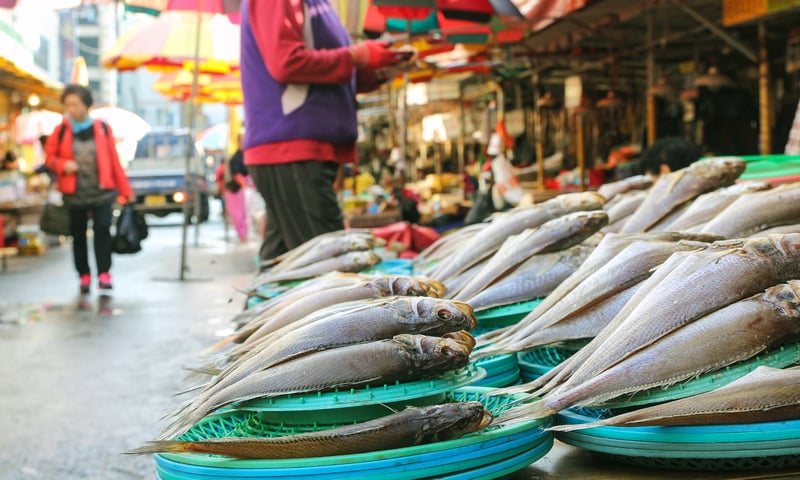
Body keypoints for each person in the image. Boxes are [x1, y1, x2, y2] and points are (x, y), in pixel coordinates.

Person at [241, 0, 412, 261]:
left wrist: (383, 69)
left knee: (283, 265)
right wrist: (358, 55)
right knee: (328, 266)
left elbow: (332, 75)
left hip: (303, 148)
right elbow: (286, 63)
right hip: (291, 145)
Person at [45, 84, 134, 294]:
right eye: (68, 105)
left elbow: (114, 162)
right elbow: (49, 159)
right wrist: (62, 165)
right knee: (78, 235)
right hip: (74, 193)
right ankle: (83, 275)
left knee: (102, 231)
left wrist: (126, 191)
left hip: (102, 192)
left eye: (75, 104)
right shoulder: (61, 130)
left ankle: (104, 274)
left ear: (86, 104)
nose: (72, 109)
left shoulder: (102, 128)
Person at [221, 142, 250, 242]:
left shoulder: (244, 156)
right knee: (238, 212)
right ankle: (242, 234)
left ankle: (243, 234)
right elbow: (236, 174)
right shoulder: (236, 158)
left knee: (243, 212)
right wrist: (245, 184)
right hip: (236, 189)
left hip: (241, 188)